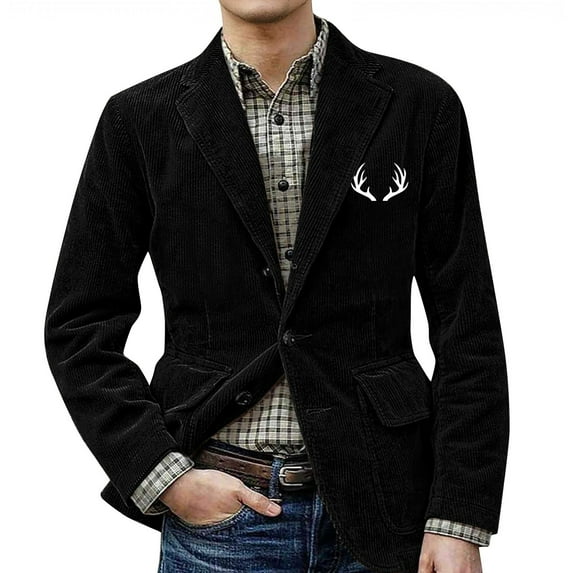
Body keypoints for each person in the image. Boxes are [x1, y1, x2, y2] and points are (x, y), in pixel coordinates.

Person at [44, 1, 509, 572]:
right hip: (221, 523)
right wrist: (165, 477)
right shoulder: (139, 119)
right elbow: (79, 327)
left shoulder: (419, 105)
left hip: (391, 511)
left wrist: (457, 516)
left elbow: (468, 326)